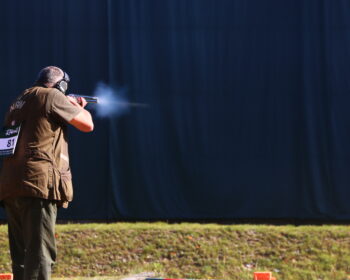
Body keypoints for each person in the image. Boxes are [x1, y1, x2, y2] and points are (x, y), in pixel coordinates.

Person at [0, 66, 94, 280]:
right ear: (61, 85)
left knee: (22, 256)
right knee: (41, 253)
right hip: (36, 184)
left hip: (11, 185)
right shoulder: (52, 96)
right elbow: (87, 124)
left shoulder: (19, 99)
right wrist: (78, 106)